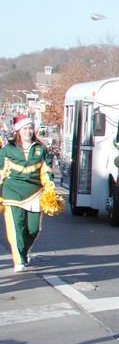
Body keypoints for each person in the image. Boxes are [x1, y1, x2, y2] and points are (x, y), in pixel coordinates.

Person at [0, 116, 54, 271]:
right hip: (12, 194)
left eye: (30, 128)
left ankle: (23, 252)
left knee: (33, 229)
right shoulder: (8, 149)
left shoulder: (40, 149)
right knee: (16, 228)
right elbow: (1, 172)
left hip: (34, 193)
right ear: (18, 131)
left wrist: (50, 188)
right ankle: (18, 260)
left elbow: (47, 171)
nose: (28, 131)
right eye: (25, 128)